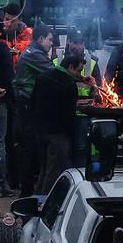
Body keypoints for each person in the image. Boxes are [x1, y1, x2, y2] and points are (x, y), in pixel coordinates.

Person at [12, 23, 55, 195]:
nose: (52, 43)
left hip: (25, 105)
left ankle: (27, 188)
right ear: (40, 39)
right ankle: (27, 191)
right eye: (50, 40)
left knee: (29, 148)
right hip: (27, 106)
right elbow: (54, 73)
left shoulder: (31, 52)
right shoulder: (35, 55)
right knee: (30, 149)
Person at [34, 52, 83, 194]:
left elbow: (32, 103)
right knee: (53, 172)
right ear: (70, 67)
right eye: (78, 71)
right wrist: (71, 134)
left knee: (44, 169)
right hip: (58, 134)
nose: (79, 74)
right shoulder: (68, 85)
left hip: (40, 130)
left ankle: (36, 199)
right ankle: (44, 204)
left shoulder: (43, 77)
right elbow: (69, 115)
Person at [55, 28, 101, 166]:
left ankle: (80, 177)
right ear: (68, 42)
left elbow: (99, 88)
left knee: (81, 147)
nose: (79, 46)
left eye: (81, 42)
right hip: (62, 112)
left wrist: (95, 92)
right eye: (75, 42)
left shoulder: (91, 61)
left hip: (83, 113)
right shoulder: (57, 59)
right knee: (63, 149)